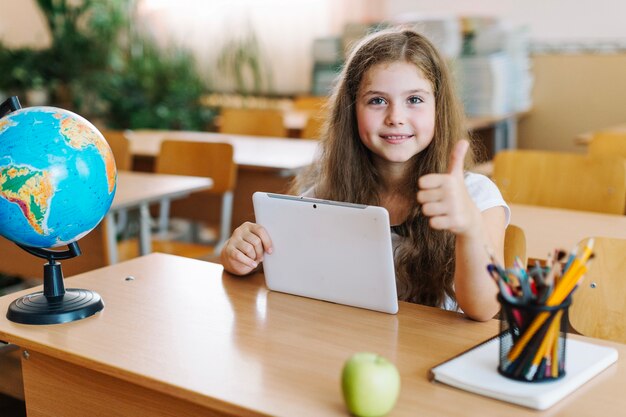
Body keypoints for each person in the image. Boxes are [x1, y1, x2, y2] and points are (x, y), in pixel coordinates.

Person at [220, 27, 509, 321]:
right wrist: (243, 252)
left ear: (439, 108)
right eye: (377, 101)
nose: (395, 117)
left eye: (415, 100)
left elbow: (483, 309)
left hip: (436, 355)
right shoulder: (327, 193)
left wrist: (470, 227)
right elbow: (274, 261)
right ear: (351, 111)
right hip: (352, 345)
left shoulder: (477, 196)